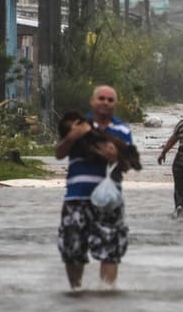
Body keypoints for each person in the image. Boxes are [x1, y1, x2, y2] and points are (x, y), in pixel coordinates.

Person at [54, 85, 135, 290]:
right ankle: (76, 291)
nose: (105, 103)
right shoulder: (79, 125)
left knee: (110, 250)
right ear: (92, 101)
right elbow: (59, 153)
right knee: (72, 251)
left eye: (110, 100)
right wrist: (74, 136)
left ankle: (107, 293)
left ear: (115, 104)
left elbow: (127, 163)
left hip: (108, 201)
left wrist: (114, 155)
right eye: (101, 98)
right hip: (76, 197)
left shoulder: (122, 130)